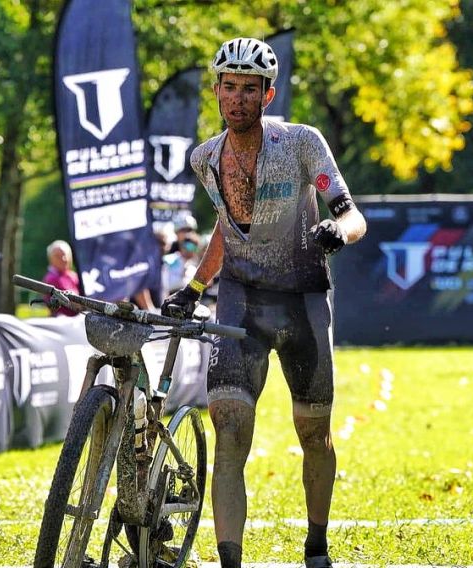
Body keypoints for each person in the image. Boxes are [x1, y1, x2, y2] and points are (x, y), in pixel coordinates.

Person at [162, 37, 367, 568]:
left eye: (249, 89)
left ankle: (316, 545)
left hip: (302, 301)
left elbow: (351, 213)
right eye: (228, 87)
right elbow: (225, 231)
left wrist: (336, 233)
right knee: (229, 431)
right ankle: (231, 560)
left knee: (313, 435)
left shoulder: (301, 143)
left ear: (267, 95)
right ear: (216, 91)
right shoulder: (203, 158)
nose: (237, 98)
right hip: (239, 304)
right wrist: (193, 287)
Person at [42, 240, 80, 316]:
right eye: (57, 256)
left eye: (65, 255)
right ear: (51, 259)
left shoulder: (74, 276)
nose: (63, 259)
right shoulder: (51, 279)